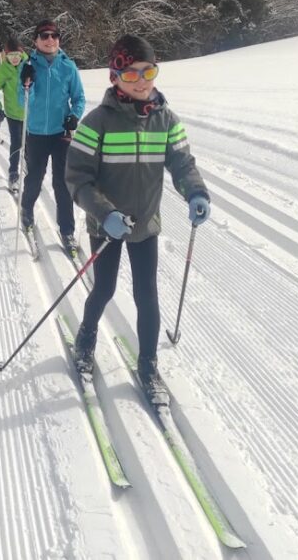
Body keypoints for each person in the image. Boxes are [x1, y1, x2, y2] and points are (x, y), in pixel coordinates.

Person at [65, 34, 210, 401]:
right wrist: (104, 212)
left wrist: (195, 191)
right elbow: (77, 180)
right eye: (130, 74)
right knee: (105, 288)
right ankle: (86, 337)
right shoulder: (95, 123)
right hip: (107, 225)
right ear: (114, 77)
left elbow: (182, 163)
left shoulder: (166, 120)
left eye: (148, 71)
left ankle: (148, 364)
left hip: (145, 224)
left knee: (147, 295)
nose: (141, 80)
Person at [17, 19, 86, 255]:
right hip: (36, 133)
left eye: (54, 36)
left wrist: (74, 116)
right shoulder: (27, 66)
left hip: (61, 134)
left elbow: (79, 98)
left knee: (63, 184)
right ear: (35, 41)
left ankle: (67, 230)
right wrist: (28, 84)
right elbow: (21, 102)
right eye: (44, 36)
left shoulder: (68, 67)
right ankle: (26, 210)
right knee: (35, 178)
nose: (50, 40)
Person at [0, 36, 28, 192]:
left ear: (21, 53)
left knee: (30, 145)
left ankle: (29, 167)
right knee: (17, 143)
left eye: (17, 55)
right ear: (5, 55)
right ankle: (13, 173)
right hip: (13, 115)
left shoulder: (30, 64)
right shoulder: (2, 70)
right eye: (10, 56)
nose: (14, 59)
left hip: (31, 114)